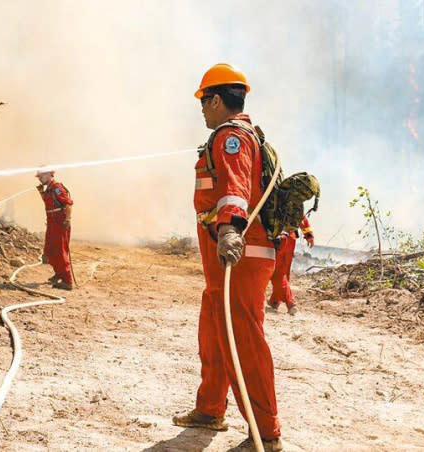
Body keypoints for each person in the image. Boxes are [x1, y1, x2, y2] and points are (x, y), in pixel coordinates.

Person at [171, 63, 283, 452]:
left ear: (217, 99)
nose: (201, 109)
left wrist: (230, 229)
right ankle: (210, 408)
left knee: (243, 340)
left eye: (204, 101)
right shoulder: (243, 135)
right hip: (226, 260)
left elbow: (235, 188)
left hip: (239, 255)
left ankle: (265, 433)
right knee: (214, 327)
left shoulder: (231, 137)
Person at [267, 217, 314, 315]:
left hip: (279, 239)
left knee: (277, 273)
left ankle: (290, 303)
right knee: (284, 271)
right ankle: (275, 301)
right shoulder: (294, 201)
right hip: (291, 238)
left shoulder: (273, 200)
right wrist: (309, 235)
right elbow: (302, 217)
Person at [36, 169, 73, 290]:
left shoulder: (57, 188)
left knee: (60, 251)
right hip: (52, 222)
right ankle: (59, 273)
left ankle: (67, 281)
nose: (39, 179)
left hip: (59, 222)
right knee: (50, 249)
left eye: (41, 176)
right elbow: (49, 204)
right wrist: (41, 193)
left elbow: (68, 204)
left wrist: (67, 220)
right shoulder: (49, 189)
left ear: (49, 175)